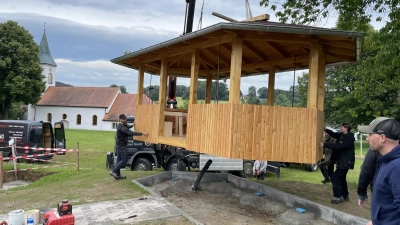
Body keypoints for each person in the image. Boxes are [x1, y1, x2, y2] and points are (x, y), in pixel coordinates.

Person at [358, 117, 400, 225]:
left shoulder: (397, 167)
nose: (367, 139)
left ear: (382, 138)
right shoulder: (385, 160)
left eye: (370, 135)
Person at [319, 123, 355, 204]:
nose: (340, 128)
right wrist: (326, 129)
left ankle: (338, 196)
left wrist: (324, 144)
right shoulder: (342, 135)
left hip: (345, 162)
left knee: (335, 178)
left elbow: (338, 146)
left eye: (342, 127)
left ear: (346, 128)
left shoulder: (348, 138)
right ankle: (345, 195)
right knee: (342, 178)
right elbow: (334, 134)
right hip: (342, 161)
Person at [109, 114, 149, 180]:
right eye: (124, 119)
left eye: (126, 118)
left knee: (119, 160)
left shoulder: (122, 125)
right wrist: (142, 133)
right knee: (124, 160)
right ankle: (113, 171)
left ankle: (118, 175)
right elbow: (130, 133)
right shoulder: (121, 127)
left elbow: (127, 127)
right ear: (121, 120)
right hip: (122, 146)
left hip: (119, 145)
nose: (126, 120)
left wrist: (132, 125)